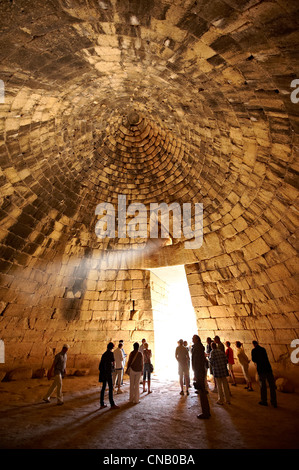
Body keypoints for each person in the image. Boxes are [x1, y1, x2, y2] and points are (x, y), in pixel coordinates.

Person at [251, 341, 277, 407]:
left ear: (254, 344)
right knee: (272, 385)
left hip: (261, 370)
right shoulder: (263, 349)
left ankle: (264, 401)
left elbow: (254, 360)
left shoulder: (254, 351)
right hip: (268, 368)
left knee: (263, 386)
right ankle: (274, 402)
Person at [192, 335, 211, 419]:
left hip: (199, 371)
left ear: (196, 339)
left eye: (193, 338)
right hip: (200, 371)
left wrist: (196, 373)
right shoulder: (199, 347)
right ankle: (206, 411)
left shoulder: (197, 348)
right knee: (202, 391)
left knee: (202, 392)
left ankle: (205, 412)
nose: (192, 339)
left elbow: (197, 361)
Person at [99, 342, 120, 410]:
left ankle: (102, 404)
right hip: (108, 373)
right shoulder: (110, 353)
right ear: (112, 347)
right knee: (111, 388)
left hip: (103, 373)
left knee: (103, 388)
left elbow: (100, 365)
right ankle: (112, 404)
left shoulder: (104, 354)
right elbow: (113, 361)